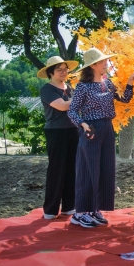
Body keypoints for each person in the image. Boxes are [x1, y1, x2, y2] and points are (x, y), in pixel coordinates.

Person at [67, 48, 134, 228]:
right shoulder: (83, 87)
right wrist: (82, 124)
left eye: (106, 61)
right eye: (103, 61)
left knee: (105, 169)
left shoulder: (108, 83)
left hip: (107, 128)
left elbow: (125, 99)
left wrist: (130, 83)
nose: (106, 63)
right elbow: (72, 111)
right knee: (88, 170)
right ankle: (80, 213)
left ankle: (95, 208)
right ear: (93, 65)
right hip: (91, 129)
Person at [38, 56, 80, 220]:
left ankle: (69, 206)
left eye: (65, 69)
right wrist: (81, 96)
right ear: (51, 72)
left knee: (71, 169)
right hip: (56, 132)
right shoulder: (47, 89)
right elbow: (62, 106)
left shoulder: (69, 88)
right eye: (59, 70)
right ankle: (50, 209)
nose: (63, 72)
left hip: (73, 130)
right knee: (57, 170)